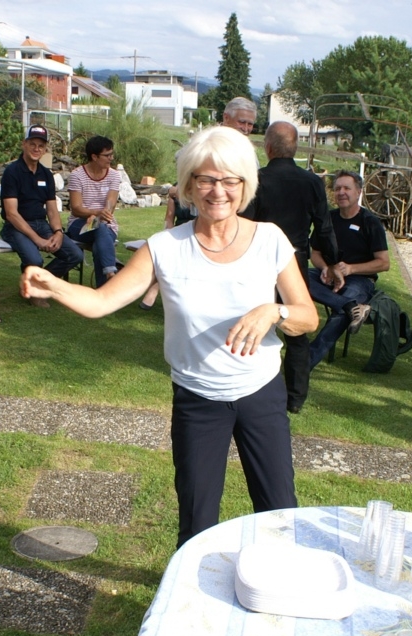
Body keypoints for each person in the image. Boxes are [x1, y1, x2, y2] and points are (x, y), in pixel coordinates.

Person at [20, 126, 318, 548]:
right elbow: (101, 301)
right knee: (197, 525)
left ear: (245, 184)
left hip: (261, 395)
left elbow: (307, 317)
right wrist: (54, 285)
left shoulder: (269, 239)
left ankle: (274, 587)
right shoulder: (165, 247)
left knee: (280, 515)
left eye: (230, 180)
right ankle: (190, 590)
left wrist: (275, 310)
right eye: (206, 179)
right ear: (189, 185)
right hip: (198, 400)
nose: (219, 191)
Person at [245, 121, 337, 414]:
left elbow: (245, 224)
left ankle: (248, 384)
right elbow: (324, 228)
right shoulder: (312, 183)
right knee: (296, 330)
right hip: (295, 261)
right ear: (295, 149)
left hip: (258, 259)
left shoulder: (257, 180)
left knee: (251, 319)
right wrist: (332, 260)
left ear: (268, 147)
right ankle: (295, 397)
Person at [308, 170, 390, 370]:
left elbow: (384, 263)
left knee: (343, 313)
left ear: (358, 192)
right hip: (328, 275)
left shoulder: (370, 222)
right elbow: (314, 253)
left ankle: (307, 360)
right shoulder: (328, 218)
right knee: (296, 276)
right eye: (337, 188)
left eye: (347, 188)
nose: (341, 192)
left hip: (360, 280)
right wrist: (325, 268)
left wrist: (351, 269)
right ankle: (350, 306)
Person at [0, 124, 83, 307]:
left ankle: (35, 285)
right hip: (16, 227)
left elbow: (52, 209)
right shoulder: (12, 172)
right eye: (33, 144)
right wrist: (37, 239)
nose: (37, 149)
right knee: (35, 259)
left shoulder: (46, 174)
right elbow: (11, 214)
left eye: (41, 146)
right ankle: (34, 288)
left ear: (45, 149)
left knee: (74, 254)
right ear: (24, 144)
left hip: (41, 224)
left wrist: (58, 232)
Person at [66, 135, 122, 288]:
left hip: (105, 224)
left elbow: (110, 205)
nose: (111, 158)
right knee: (100, 228)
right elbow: (76, 208)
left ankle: (102, 289)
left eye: (112, 154)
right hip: (79, 225)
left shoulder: (114, 175)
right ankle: (111, 271)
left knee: (99, 239)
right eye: (107, 155)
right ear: (94, 157)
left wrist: (98, 217)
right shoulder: (77, 175)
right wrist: (95, 214)